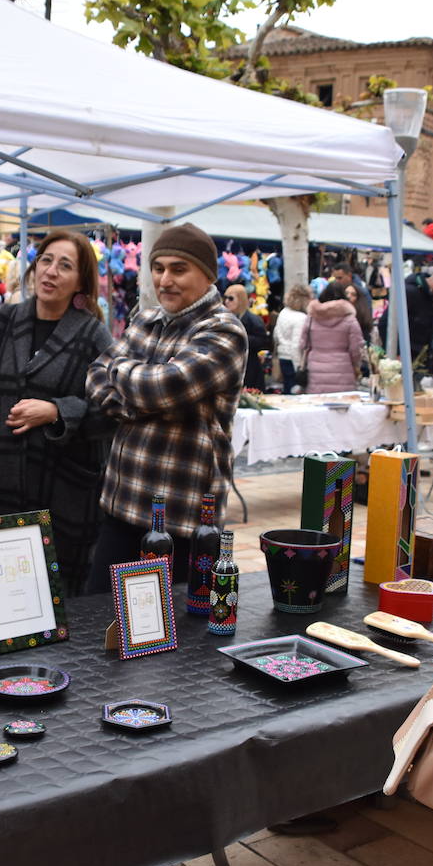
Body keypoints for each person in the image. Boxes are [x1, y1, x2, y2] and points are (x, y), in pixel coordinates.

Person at [0, 229, 114, 594]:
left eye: (65, 266)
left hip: (63, 491)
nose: (51, 272)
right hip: (0, 481)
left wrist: (57, 410)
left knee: (56, 597)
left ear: (81, 280)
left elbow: (113, 409)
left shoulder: (93, 336)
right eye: (46, 261)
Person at [86, 223, 245, 591]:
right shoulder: (145, 319)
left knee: (172, 641)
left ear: (207, 275)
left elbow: (161, 387)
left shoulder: (224, 331)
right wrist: (135, 402)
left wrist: (124, 374)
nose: (165, 280)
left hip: (181, 520)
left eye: (178, 269)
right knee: (100, 623)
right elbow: (95, 375)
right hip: (121, 505)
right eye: (158, 268)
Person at [300, 286, 365, 394]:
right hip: (343, 369)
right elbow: (357, 349)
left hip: (315, 370)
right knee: (342, 406)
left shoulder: (311, 318)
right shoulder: (350, 320)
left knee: (316, 406)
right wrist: (356, 364)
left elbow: (303, 344)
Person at [223, 283, 268, 390]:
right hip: (231, 367)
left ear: (241, 299)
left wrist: (238, 338)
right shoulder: (225, 318)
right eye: (225, 298)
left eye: (231, 298)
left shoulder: (253, 319)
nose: (226, 302)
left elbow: (263, 341)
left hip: (249, 368)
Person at [272, 283, 310, 394]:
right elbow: (296, 345)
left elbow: (276, 334)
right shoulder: (301, 318)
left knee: (287, 389)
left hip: (282, 356)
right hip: (293, 359)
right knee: (295, 393)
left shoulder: (283, 312)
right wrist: (299, 368)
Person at [322, 261, 372, 340]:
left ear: (349, 275)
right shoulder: (336, 289)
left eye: (340, 278)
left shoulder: (361, 291)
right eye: (335, 278)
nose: (337, 281)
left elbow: (367, 315)